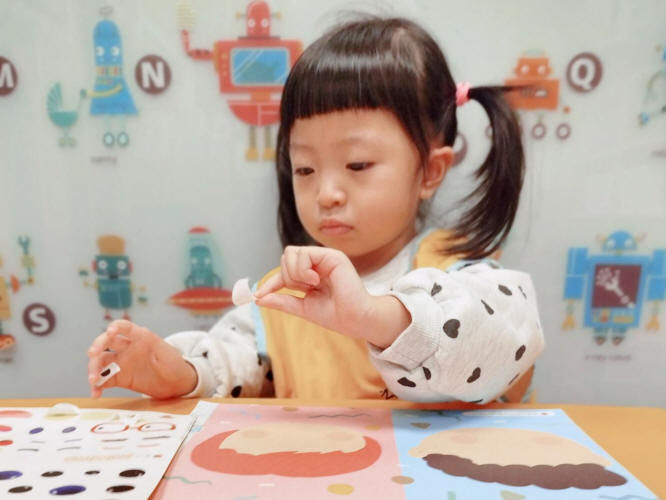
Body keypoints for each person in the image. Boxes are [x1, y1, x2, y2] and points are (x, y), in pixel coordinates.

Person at [87, 16, 544, 404]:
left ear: (429, 171)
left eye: (357, 165)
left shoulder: (459, 273)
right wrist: (177, 373)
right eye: (304, 169)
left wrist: (376, 317)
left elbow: (507, 343)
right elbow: (234, 364)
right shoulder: (288, 291)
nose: (326, 193)